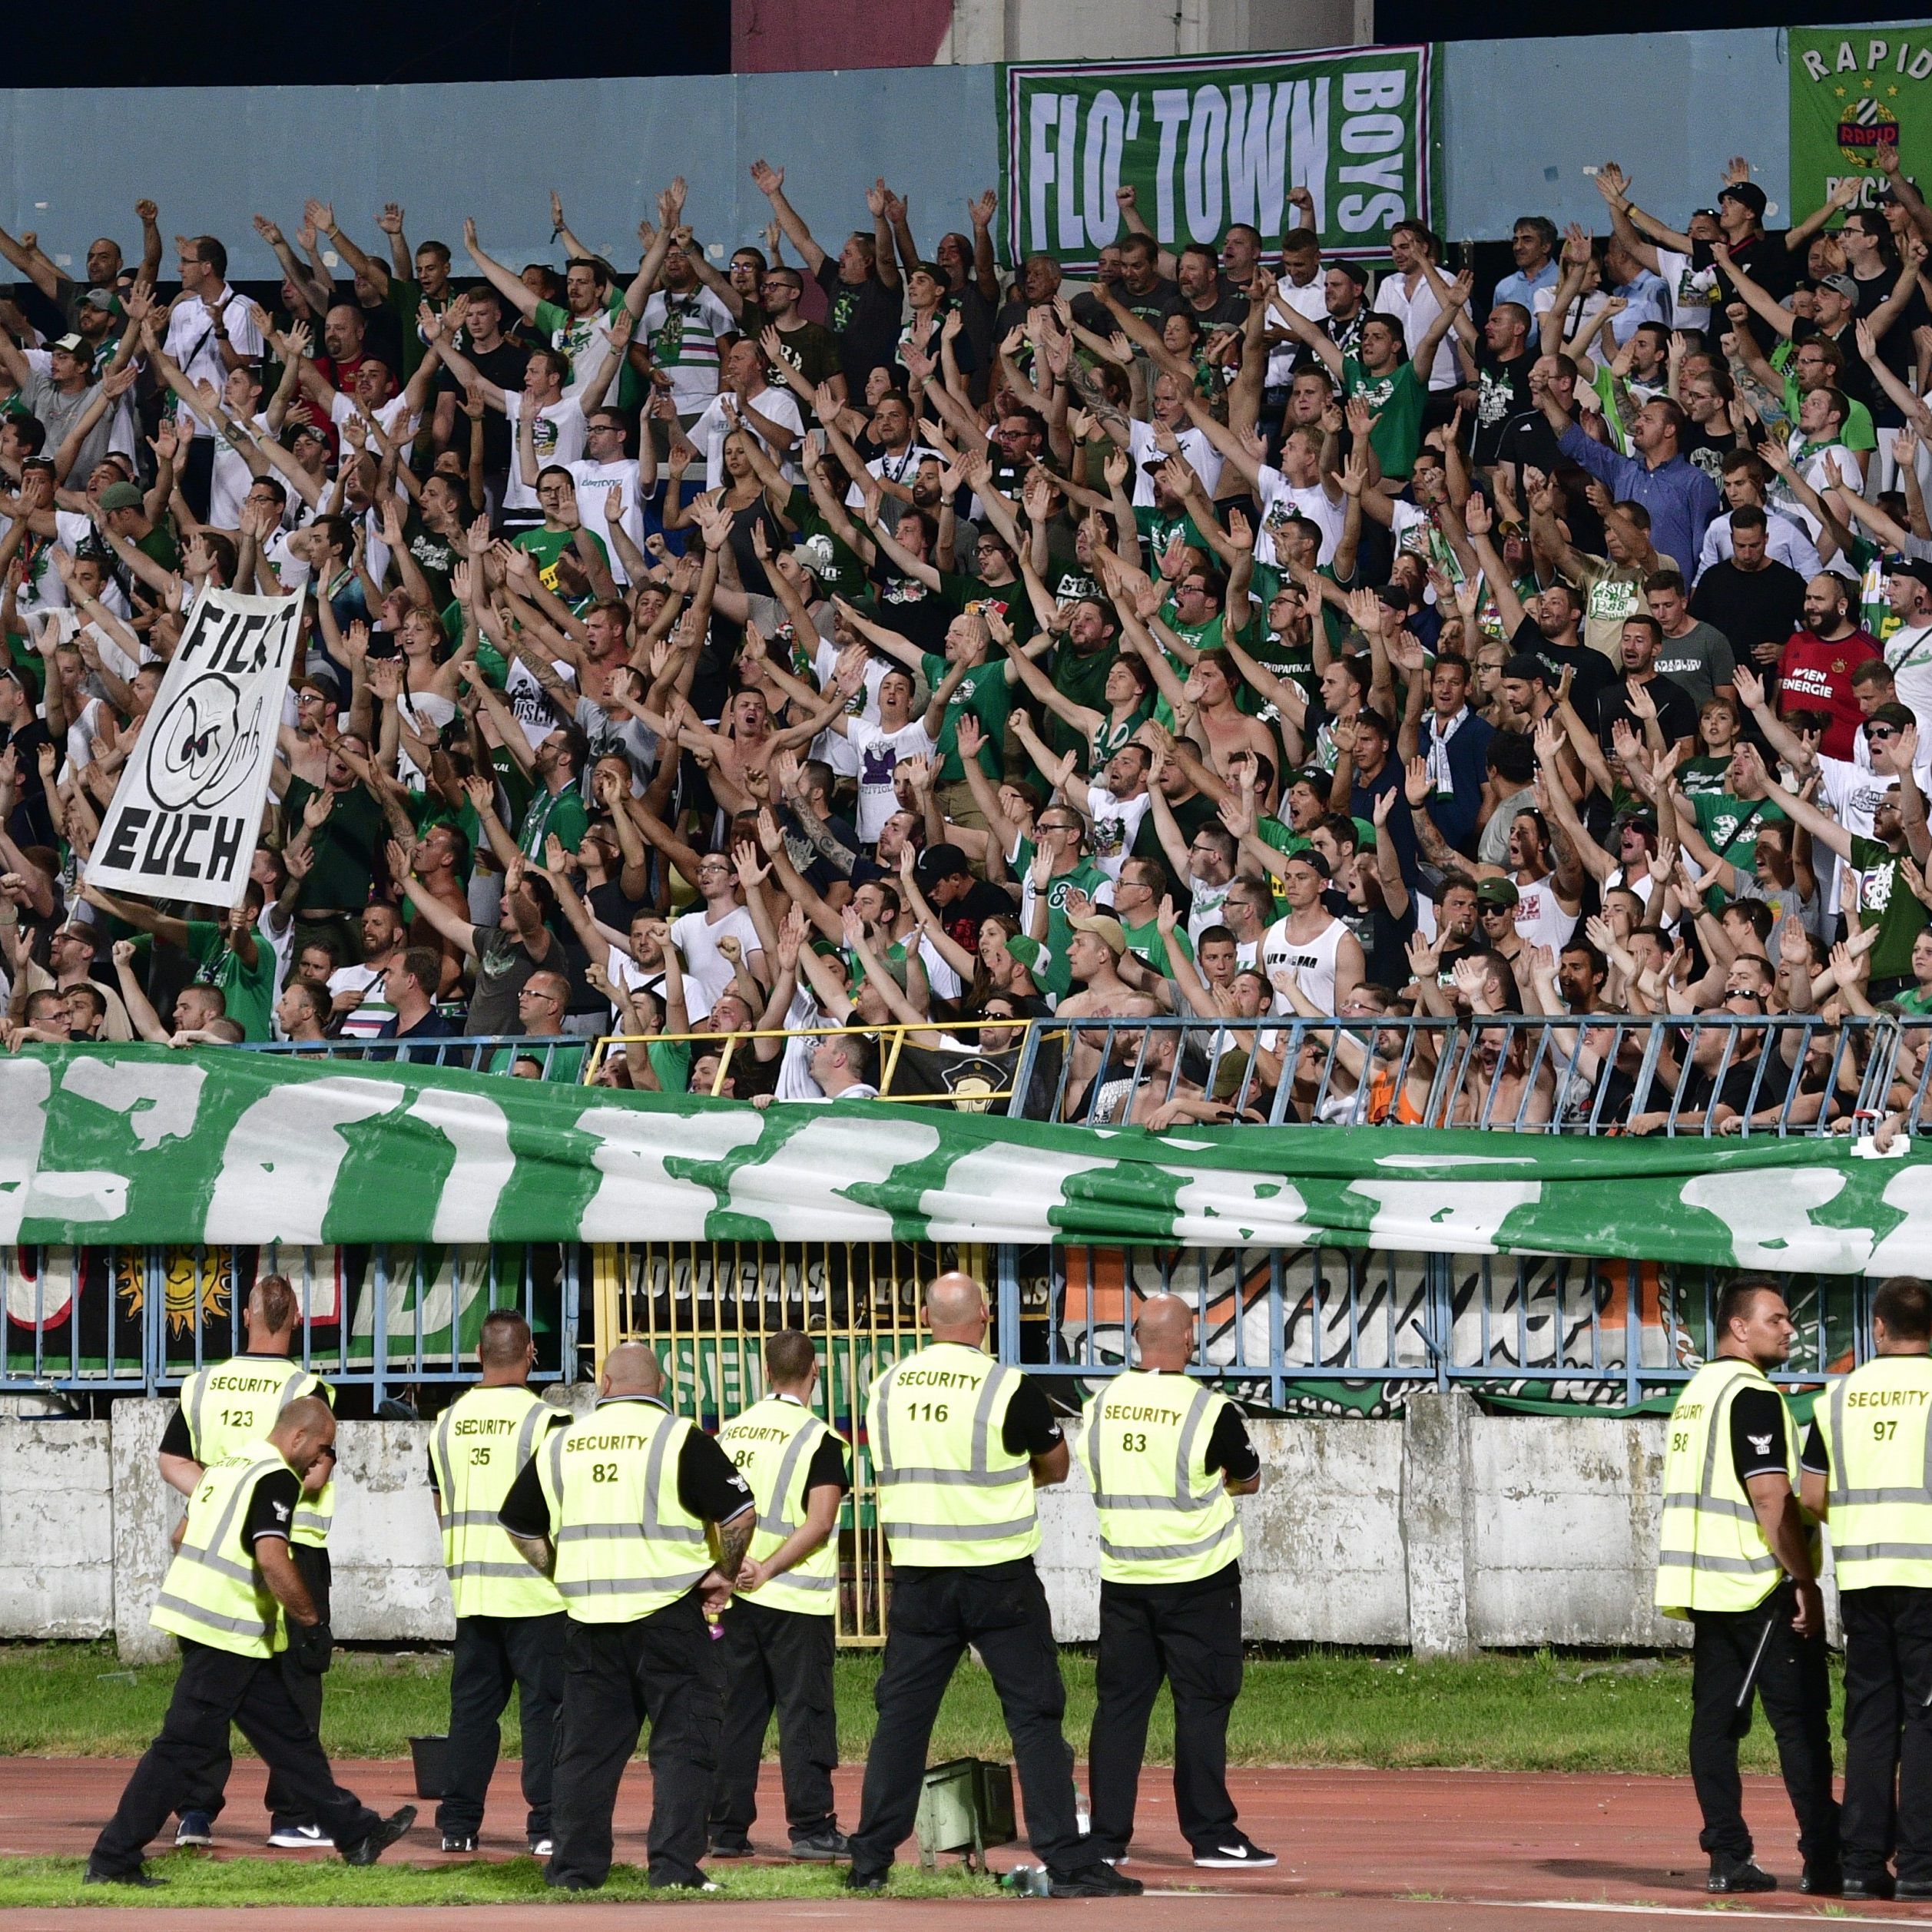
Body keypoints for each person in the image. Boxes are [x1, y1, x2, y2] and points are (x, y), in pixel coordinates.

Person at [846, 1271, 1135, 1897]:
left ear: (926, 1317)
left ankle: (869, 1857)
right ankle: (1066, 1858)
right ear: (984, 1314)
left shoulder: (885, 1386)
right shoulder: (1005, 1384)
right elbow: (1055, 1465)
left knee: (901, 1718)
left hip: (920, 1576)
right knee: (1033, 1718)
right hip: (997, 1575)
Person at [86, 1398, 415, 1884]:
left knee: (290, 1742)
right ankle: (112, 1860)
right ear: (298, 1437)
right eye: (323, 1449)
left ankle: (356, 1832)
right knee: (179, 1749)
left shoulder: (226, 1467)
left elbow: (181, 1536)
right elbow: (272, 1558)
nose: (322, 1462)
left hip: (211, 1625)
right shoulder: (276, 1477)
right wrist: (310, 1621)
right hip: (225, 1631)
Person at [497, 1340, 755, 1892]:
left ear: (605, 1384)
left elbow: (518, 1523)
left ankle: (573, 1870)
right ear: (660, 1386)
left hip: (589, 1619)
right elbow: (739, 1513)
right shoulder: (678, 1437)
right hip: (670, 1615)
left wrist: (558, 1570)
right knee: (684, 1744)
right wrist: (724, 1573)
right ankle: (673, 1869)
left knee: (585, 1753)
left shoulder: (561, 1443)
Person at [1653, 1278, 1838, 1896]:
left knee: (1714, 1722)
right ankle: (1823, 1857)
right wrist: (1803, 1579)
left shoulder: (1696, 1392)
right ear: (1739, 1327)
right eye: (1776, 1319)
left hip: (1705, 1585)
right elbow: (1768, 1496)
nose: (1788, 1329)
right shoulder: (1752, 1395)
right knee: (1800, 1724)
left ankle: (1727, 1855)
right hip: (1756, 1584)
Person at [1079, 1293, 1269, 1871]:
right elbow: (1249, 1476)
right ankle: (1211, 1835)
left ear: (1137, 1339)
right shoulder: (1206, 1409)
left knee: (1119, 1708)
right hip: (1198, 1580)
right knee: (1202, 1704)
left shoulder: (1100, 1404)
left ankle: (1107, 1839)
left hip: (1124, 1579)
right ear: (1188, 1339)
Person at [155, 1274, 338, 1852]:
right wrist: (264, 1497)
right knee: (296, 1679)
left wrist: (221, 1493)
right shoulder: (305, 1385)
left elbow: (169, 1458)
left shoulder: (203, 1383)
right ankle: (290, 1815)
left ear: (247, 1317)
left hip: (212, 1546)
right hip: (291, 1544)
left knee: (207, 1680)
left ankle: (194, 1813)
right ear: (296, 1319)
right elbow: (318, 1472)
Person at [1802, 1274, 1932, 1903]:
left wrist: (1863, 1520)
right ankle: (1920, 1863)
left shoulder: (1836, 1398)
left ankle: (1858, 1862)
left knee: (1871, 1717)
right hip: (1927, 1576)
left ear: (1877, 1327)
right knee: (1926, 1720)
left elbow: (1809, 1495)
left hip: (1861, 1576)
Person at [426, 1307, 570, 1858]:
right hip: (536, 1592)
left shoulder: (445, 1422)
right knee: (545, 1712)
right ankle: (547, 1826)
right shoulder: (547, 1423)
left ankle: (457, 1825)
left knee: (470, 1714)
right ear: (531, 1354)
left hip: (474, 1592)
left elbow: (441, 1501)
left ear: (479, 1355)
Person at [708, 1330, 850, 1861]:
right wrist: (767, 1567)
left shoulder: (730, 1433)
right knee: (804, 1715)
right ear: (814, 1369)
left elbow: (710, 1511)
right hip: (796, 1601)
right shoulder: (820, 1439)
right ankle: (811, 1827)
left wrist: (729, 1568)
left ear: (765, 1371)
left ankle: (725, 1830)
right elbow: (819, 1522)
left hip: (736, 1596)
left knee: (736, 1715)